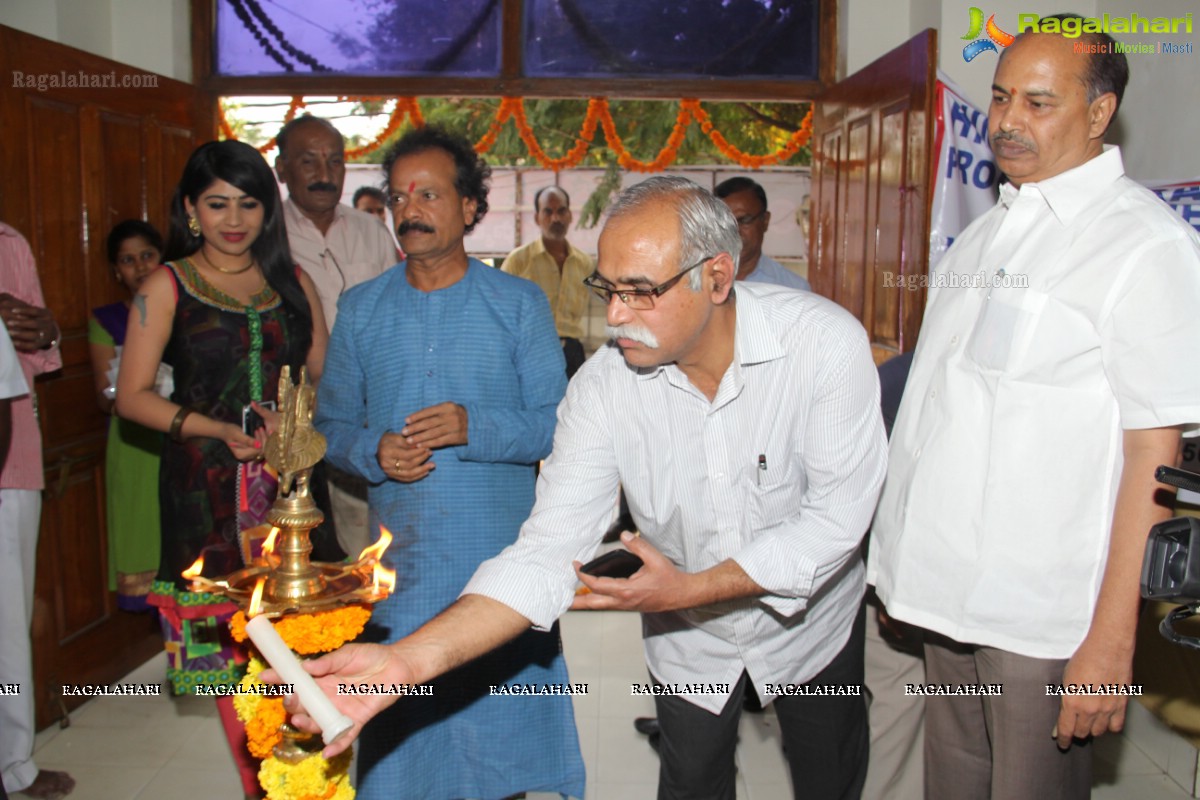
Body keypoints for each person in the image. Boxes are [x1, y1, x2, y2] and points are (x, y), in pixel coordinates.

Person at [289, 176, 886, 800]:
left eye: (641, 292)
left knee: (828, 776)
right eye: (608, 288)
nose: (617, 314)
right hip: (690, 640)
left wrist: (693, 586)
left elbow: (836, 518)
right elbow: (546, 552)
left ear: (715, 277)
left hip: (811, 629)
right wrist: (406, 664)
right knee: (693, 781)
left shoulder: (822, 344)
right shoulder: (604, 387)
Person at [868, 23, 1200, 800]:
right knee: (954, 786)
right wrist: (895, 571)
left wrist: (1112, 641)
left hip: (1040, 618)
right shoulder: (987, 233)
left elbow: (1155, 454)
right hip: (946, 602)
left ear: (1098, 113)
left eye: (1040, 102)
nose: (1009, 120)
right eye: (1000, 96)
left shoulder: (1139, 246)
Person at [312, 125, 584, 800]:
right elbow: (329, 425)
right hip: (404, 561)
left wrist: (474, 426)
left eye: (429, 194)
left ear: (469, 207)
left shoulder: (517, 303)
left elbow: (558, 425)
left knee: (502, 734)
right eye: (400, 197)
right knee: (404, 729)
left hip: (500, 564)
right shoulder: (362, 308)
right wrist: (371, 449)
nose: (411, 210)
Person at [116, 140, 327, 800]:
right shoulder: (165, 285)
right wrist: (217, 428)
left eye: (248, 203)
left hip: (290, 493)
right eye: (216, 204)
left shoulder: (294, 281)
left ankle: (304, 780)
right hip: (202, 492)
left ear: (267, 210)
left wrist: (292, 421)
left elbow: (323, 372)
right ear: (189, 209)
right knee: (223, 660)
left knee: (299, 654)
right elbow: (132, 395)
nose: (233, 219)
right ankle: (257, 787)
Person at [275, 114, 395, 560]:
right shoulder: (268, 237)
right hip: (295, 412)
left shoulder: (371, 231)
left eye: (335, 162)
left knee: (369, 535)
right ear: (281, 167)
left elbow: (393, 314)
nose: (325, 175)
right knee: (305, 537)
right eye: (309, 162)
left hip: (367, 411)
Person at [0, 224, 70, 800]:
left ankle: (12, 764)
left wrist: (44, 333)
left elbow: (43, 355)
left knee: (6, 624)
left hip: (9, 459)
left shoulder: (9, 244)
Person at [88, 220, 166, 611]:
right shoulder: (107, 321)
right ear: (117, 270)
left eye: (148, 255)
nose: (140, 267)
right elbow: (105, 398)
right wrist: (133, 391)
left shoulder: (185, 313)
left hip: (182, 438)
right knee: (144, 538)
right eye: (128, 260)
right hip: (135, 448)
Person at [502, 185, 593, 378]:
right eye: (548, 212)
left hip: (572, 353)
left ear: (570, 215)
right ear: (537, 218)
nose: (555, 219)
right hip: (530, 351)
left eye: (561, 211)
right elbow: (500, 311)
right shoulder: (519, 260)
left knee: (574, 407)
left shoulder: (584, 263)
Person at [714, 176, 811, 291]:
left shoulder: (792, 288)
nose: (734, 231)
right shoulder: (697, 281)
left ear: (765, 221)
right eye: (725, 222)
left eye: (744, 221)